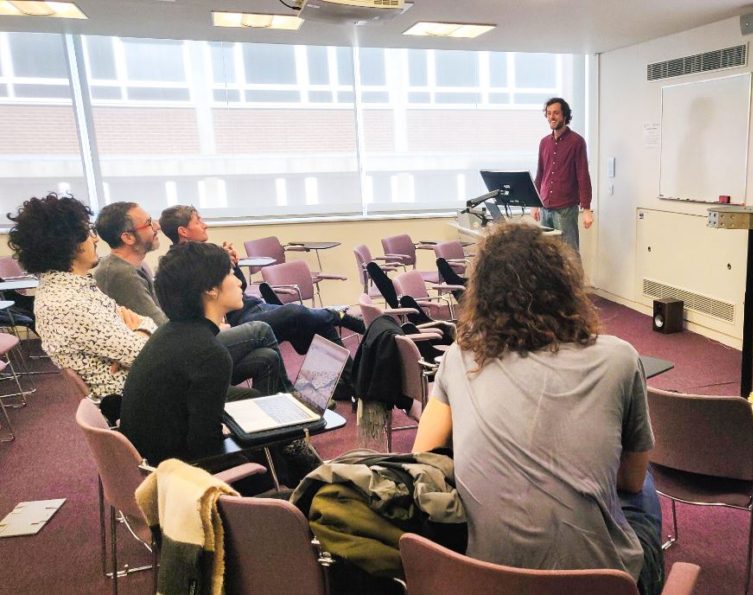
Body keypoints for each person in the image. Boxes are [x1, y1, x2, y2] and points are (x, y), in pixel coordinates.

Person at [412, 222, 664, 595]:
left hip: (482, 580)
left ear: (481, 296)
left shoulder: (459, 358)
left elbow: (423, 460)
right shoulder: (620, 358)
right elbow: (627, 480)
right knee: (644, 484)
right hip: (601, 587)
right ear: (565, 287)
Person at [93, 202, 292, 395]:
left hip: (179, 343)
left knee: (266, 358)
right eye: (148, 223)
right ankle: (295, 401)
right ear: (128, 237)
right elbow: (159, 327)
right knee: (261, 330)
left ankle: (277, 420)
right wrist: (209, 327)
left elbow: (167, 314)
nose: (157, 227)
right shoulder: (120, 274)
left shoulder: (137, 266)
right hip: (173, 357)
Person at [6, 194, 156, 402]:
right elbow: (149, 355)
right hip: (140, 402)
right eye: (88, 233)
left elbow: (142, 335)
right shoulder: (67, 303)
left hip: (141, 388)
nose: (95, 239)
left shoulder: (73, 288)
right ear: (69, 243)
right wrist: (140, 330)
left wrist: (138, 331)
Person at [157, 205, 365, 355]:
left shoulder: (208, 253)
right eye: (198, 221)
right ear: (183, 231)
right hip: (238, 320)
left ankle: (346, 383)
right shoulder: (181, 265)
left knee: (316, 323)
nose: (205, 225)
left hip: (253, 306)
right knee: (298, 313)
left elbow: (241, 286)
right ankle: (336, 315)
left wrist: (232, 265)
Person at [118, 242, 251, 464]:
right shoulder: (209, 352)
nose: (239, 281)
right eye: (230, 273)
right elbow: (205, 445)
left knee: (256, 389)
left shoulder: (169, 332)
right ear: (210, 289)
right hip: (181, 474)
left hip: (147, 462)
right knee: (270, 448)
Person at [531, 97, 593, 254]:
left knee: (569, 254)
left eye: (556, 113)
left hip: (565, 209)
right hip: (545, 207)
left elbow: (583, 176)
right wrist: (534, 203)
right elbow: (540, 173)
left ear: (564, 115)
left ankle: (575, 280)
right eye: (549, 113)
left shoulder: (577, 142)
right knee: (546, 255)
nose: (552, 117)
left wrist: (586, 209)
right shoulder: (544, 142)